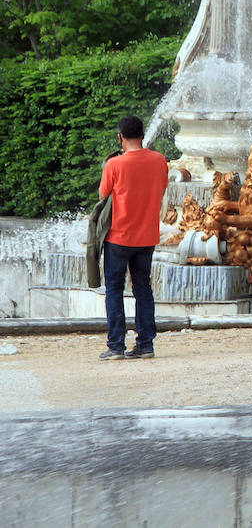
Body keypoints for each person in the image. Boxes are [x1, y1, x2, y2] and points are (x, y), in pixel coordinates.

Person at [98, 115, 168, 360]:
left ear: (120, 137)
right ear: (143, 135)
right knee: (143, 288)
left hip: (118, 236)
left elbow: (103, 194)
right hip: (147, 236)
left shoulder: (114, 165)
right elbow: (161, 188)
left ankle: (116, 346)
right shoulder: (160, 161)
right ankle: (145, 344)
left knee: (114, 289)